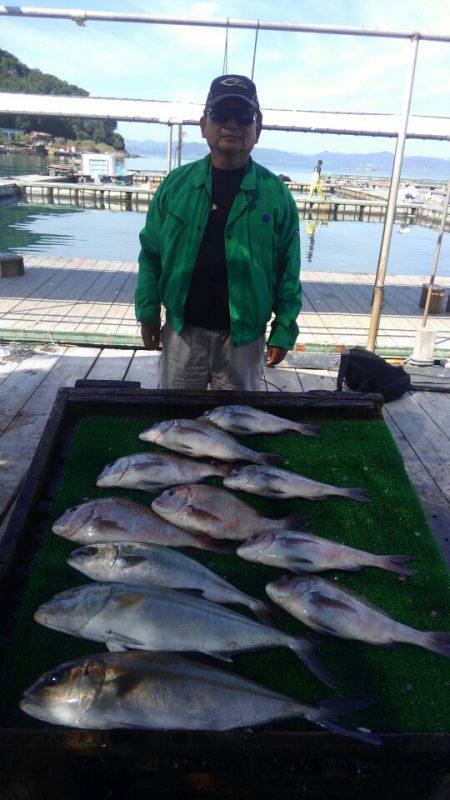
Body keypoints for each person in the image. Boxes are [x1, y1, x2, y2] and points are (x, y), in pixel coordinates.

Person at [135, 74, 302, 390]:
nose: (231, 124)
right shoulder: (175, 185)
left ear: (258, 129)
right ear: (203, 125)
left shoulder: (276, 193)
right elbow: (151, 254)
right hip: (182, 332)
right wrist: (148, 313)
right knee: (177, 417)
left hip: (245, 340)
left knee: (237, 418)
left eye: (244, 115)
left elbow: (288, 269)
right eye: (220, 114)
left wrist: (284, 328)